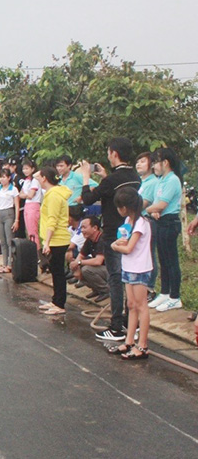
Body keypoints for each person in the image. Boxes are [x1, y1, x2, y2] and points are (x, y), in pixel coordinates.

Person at [81, 137, 141, 341]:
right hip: (132, 232)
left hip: (113, 235)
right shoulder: (134, 177)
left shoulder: (111, 180)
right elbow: (114, 191)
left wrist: (86, 178)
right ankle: (131, 322)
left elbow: (88, 199)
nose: (108, 155)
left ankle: (116, 326)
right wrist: (104, 176)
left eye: (108, 152)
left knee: (115, 278)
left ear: (114, 154)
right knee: (130, 278)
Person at [108, 187, 153, 360]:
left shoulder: (141, 223)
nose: (119, 210)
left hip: (140, 268)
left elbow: (128, 248)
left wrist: (114, 246)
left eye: (120, 206)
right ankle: (129, 341)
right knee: (132, 305)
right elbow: (125, 241)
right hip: (129, 267)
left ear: (126, 207)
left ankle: (142, 345)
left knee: (141, 306)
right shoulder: (129, 220)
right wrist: (119, 242)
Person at [145, 148, 183, 312]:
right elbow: (156, 204)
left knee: (171, 260)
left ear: (165, 163)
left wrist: (150, 210)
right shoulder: (161, 180)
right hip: (160, 221)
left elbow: (161, 205)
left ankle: (175, 297)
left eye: (155, 162)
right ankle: (165, 292)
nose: (153, 166)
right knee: (163, 259)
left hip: (169, 222)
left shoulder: (173, 180)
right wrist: (153, 211)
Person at [36, 167, 72, 315]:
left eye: (38, 177)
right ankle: (56, 299)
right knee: (55, 271)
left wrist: (47, 242)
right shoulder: (52, 194)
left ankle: (60, 303)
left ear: (45, 178)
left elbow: (53, 219)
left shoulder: (54, 196)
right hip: (54, 239)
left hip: (57, 239)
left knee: (58, 272)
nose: (37, 180)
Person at [68, 216, 109, 302]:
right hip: (100, 270)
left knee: (86, 269)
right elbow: (81, 255)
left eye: (84, 227)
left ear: (95, 228)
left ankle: (105, 290)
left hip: (110, 270)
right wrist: (75, 265)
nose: (82, 230)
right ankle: (96, 289)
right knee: (76, 267)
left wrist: (79, 263)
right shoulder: (89, 240)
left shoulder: (102, 239)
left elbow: (98, 261)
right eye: (81, 227)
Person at [136, 152, 158, 299]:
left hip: (148, 221)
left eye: (143, 161)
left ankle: (149, 287)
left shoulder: (152, 182)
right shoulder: (140, 182)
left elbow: (143, 204)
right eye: (137, 161)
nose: (138, 164)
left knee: (149, 254)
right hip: (139, 221)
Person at [18, 158, 42, 248]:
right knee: (29, 231)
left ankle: (37, 253)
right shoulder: (26, 180)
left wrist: (25, 194)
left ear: (33, 169)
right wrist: (25, 195)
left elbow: (31, 195)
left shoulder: (35, 180)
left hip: (34, 205)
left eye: (27, 168)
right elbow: (20, 194)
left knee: (33, 232)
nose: (25, 171)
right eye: (23, 169)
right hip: (27, 205)